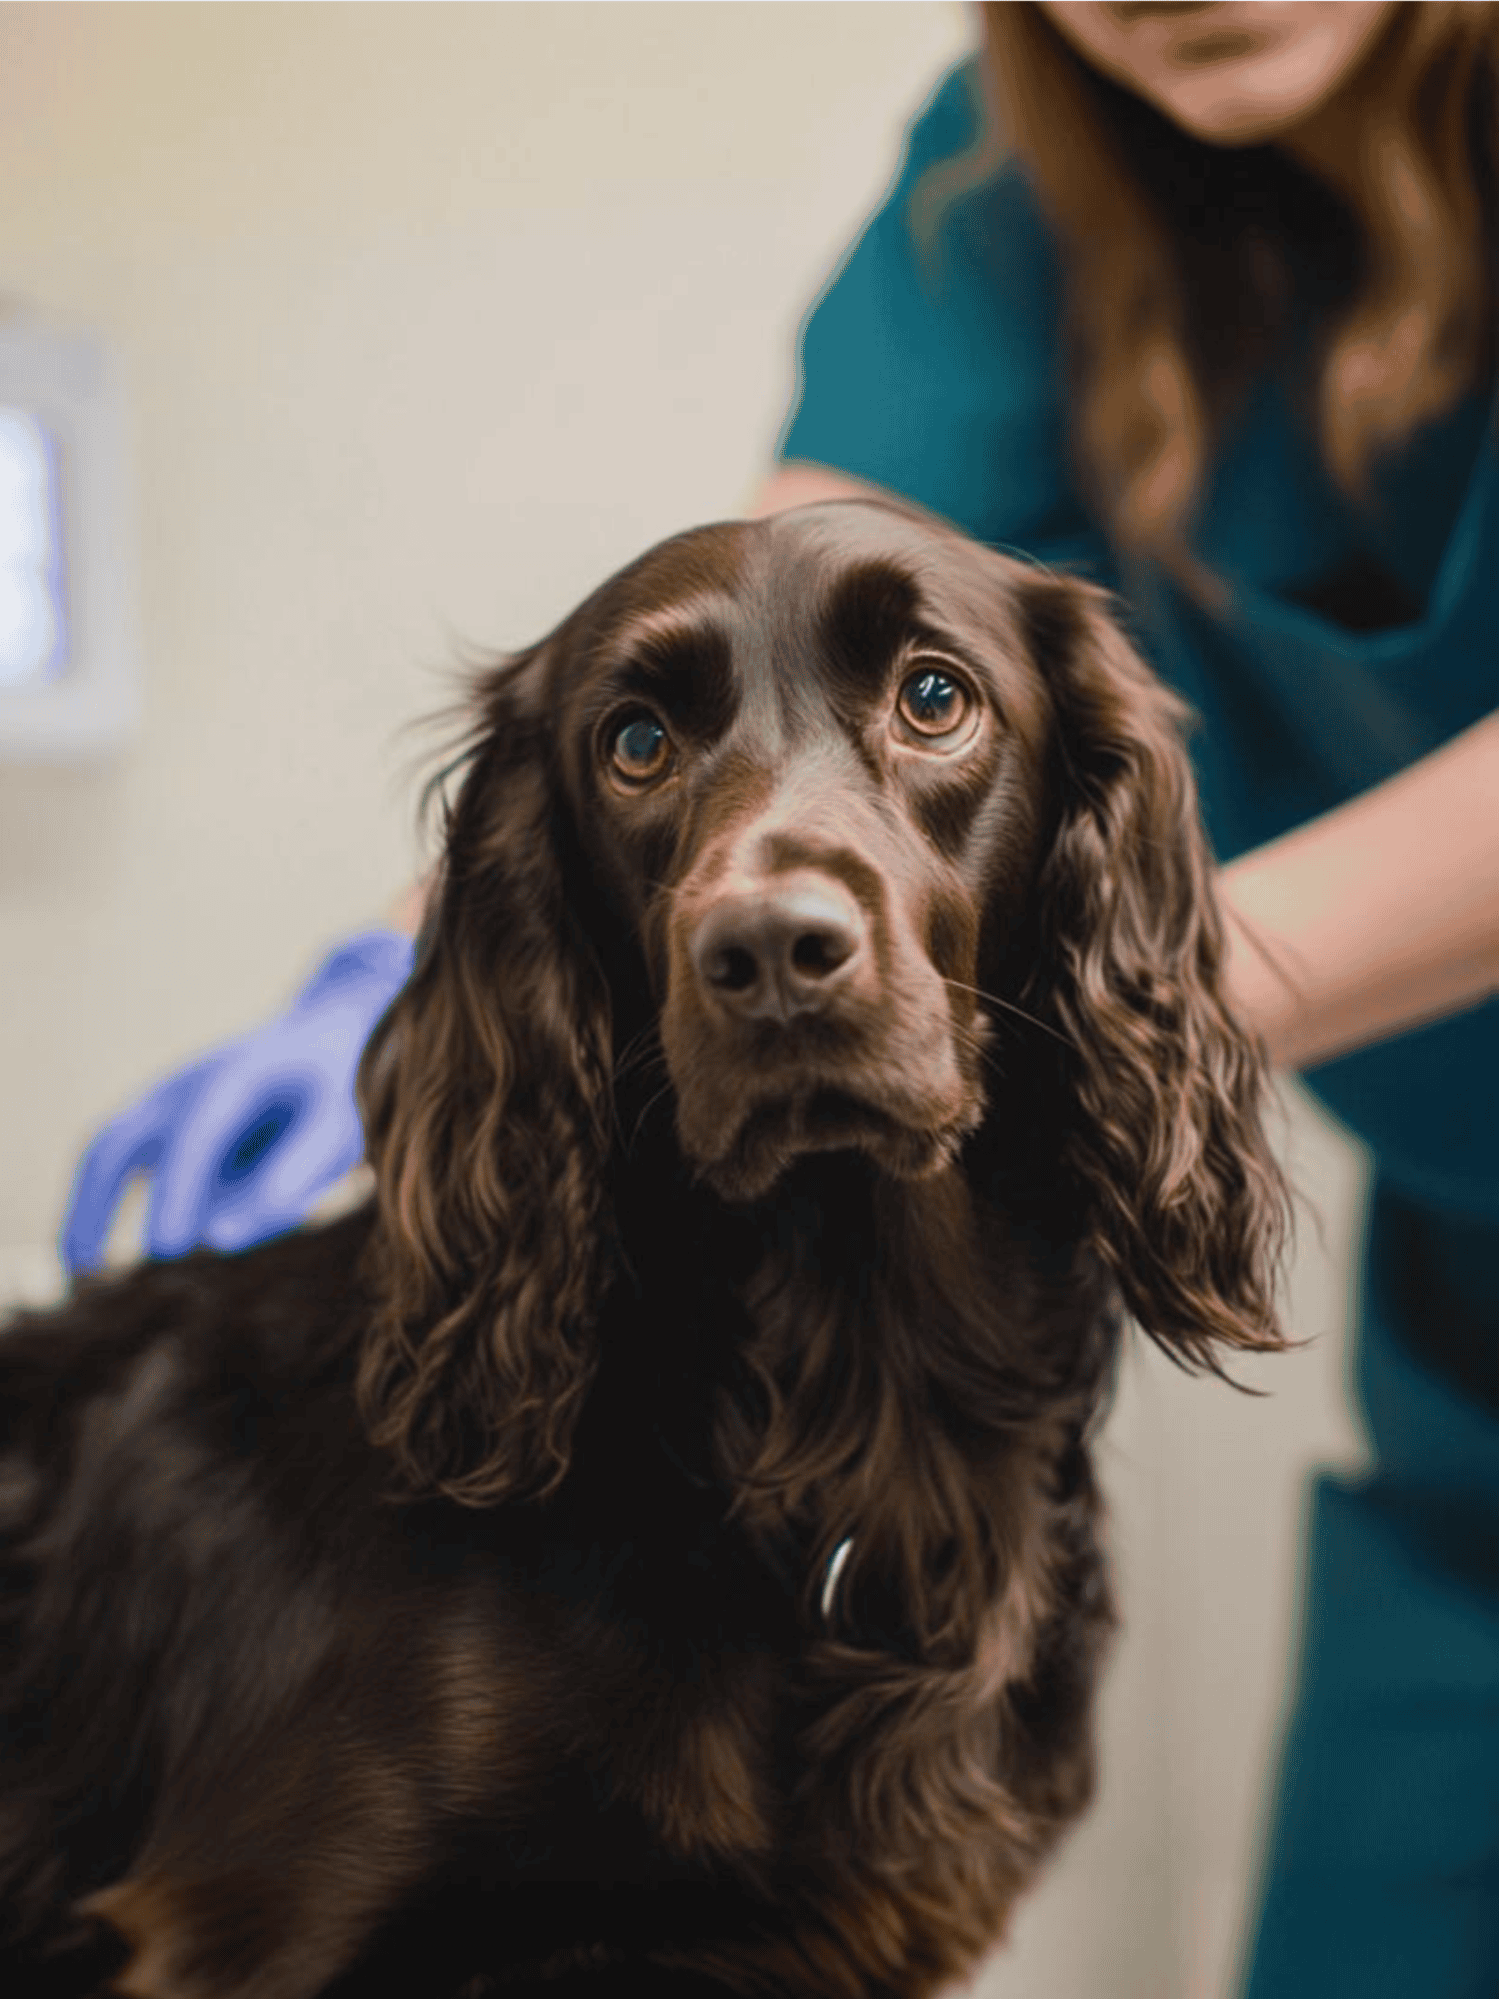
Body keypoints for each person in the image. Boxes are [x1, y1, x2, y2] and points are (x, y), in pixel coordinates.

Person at [59, 5, 1496, 1994]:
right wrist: (404, 979)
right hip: (1471, 1381)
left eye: (939, 710)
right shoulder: (1011, 182)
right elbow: (763, 631)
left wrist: (1092, 1001)